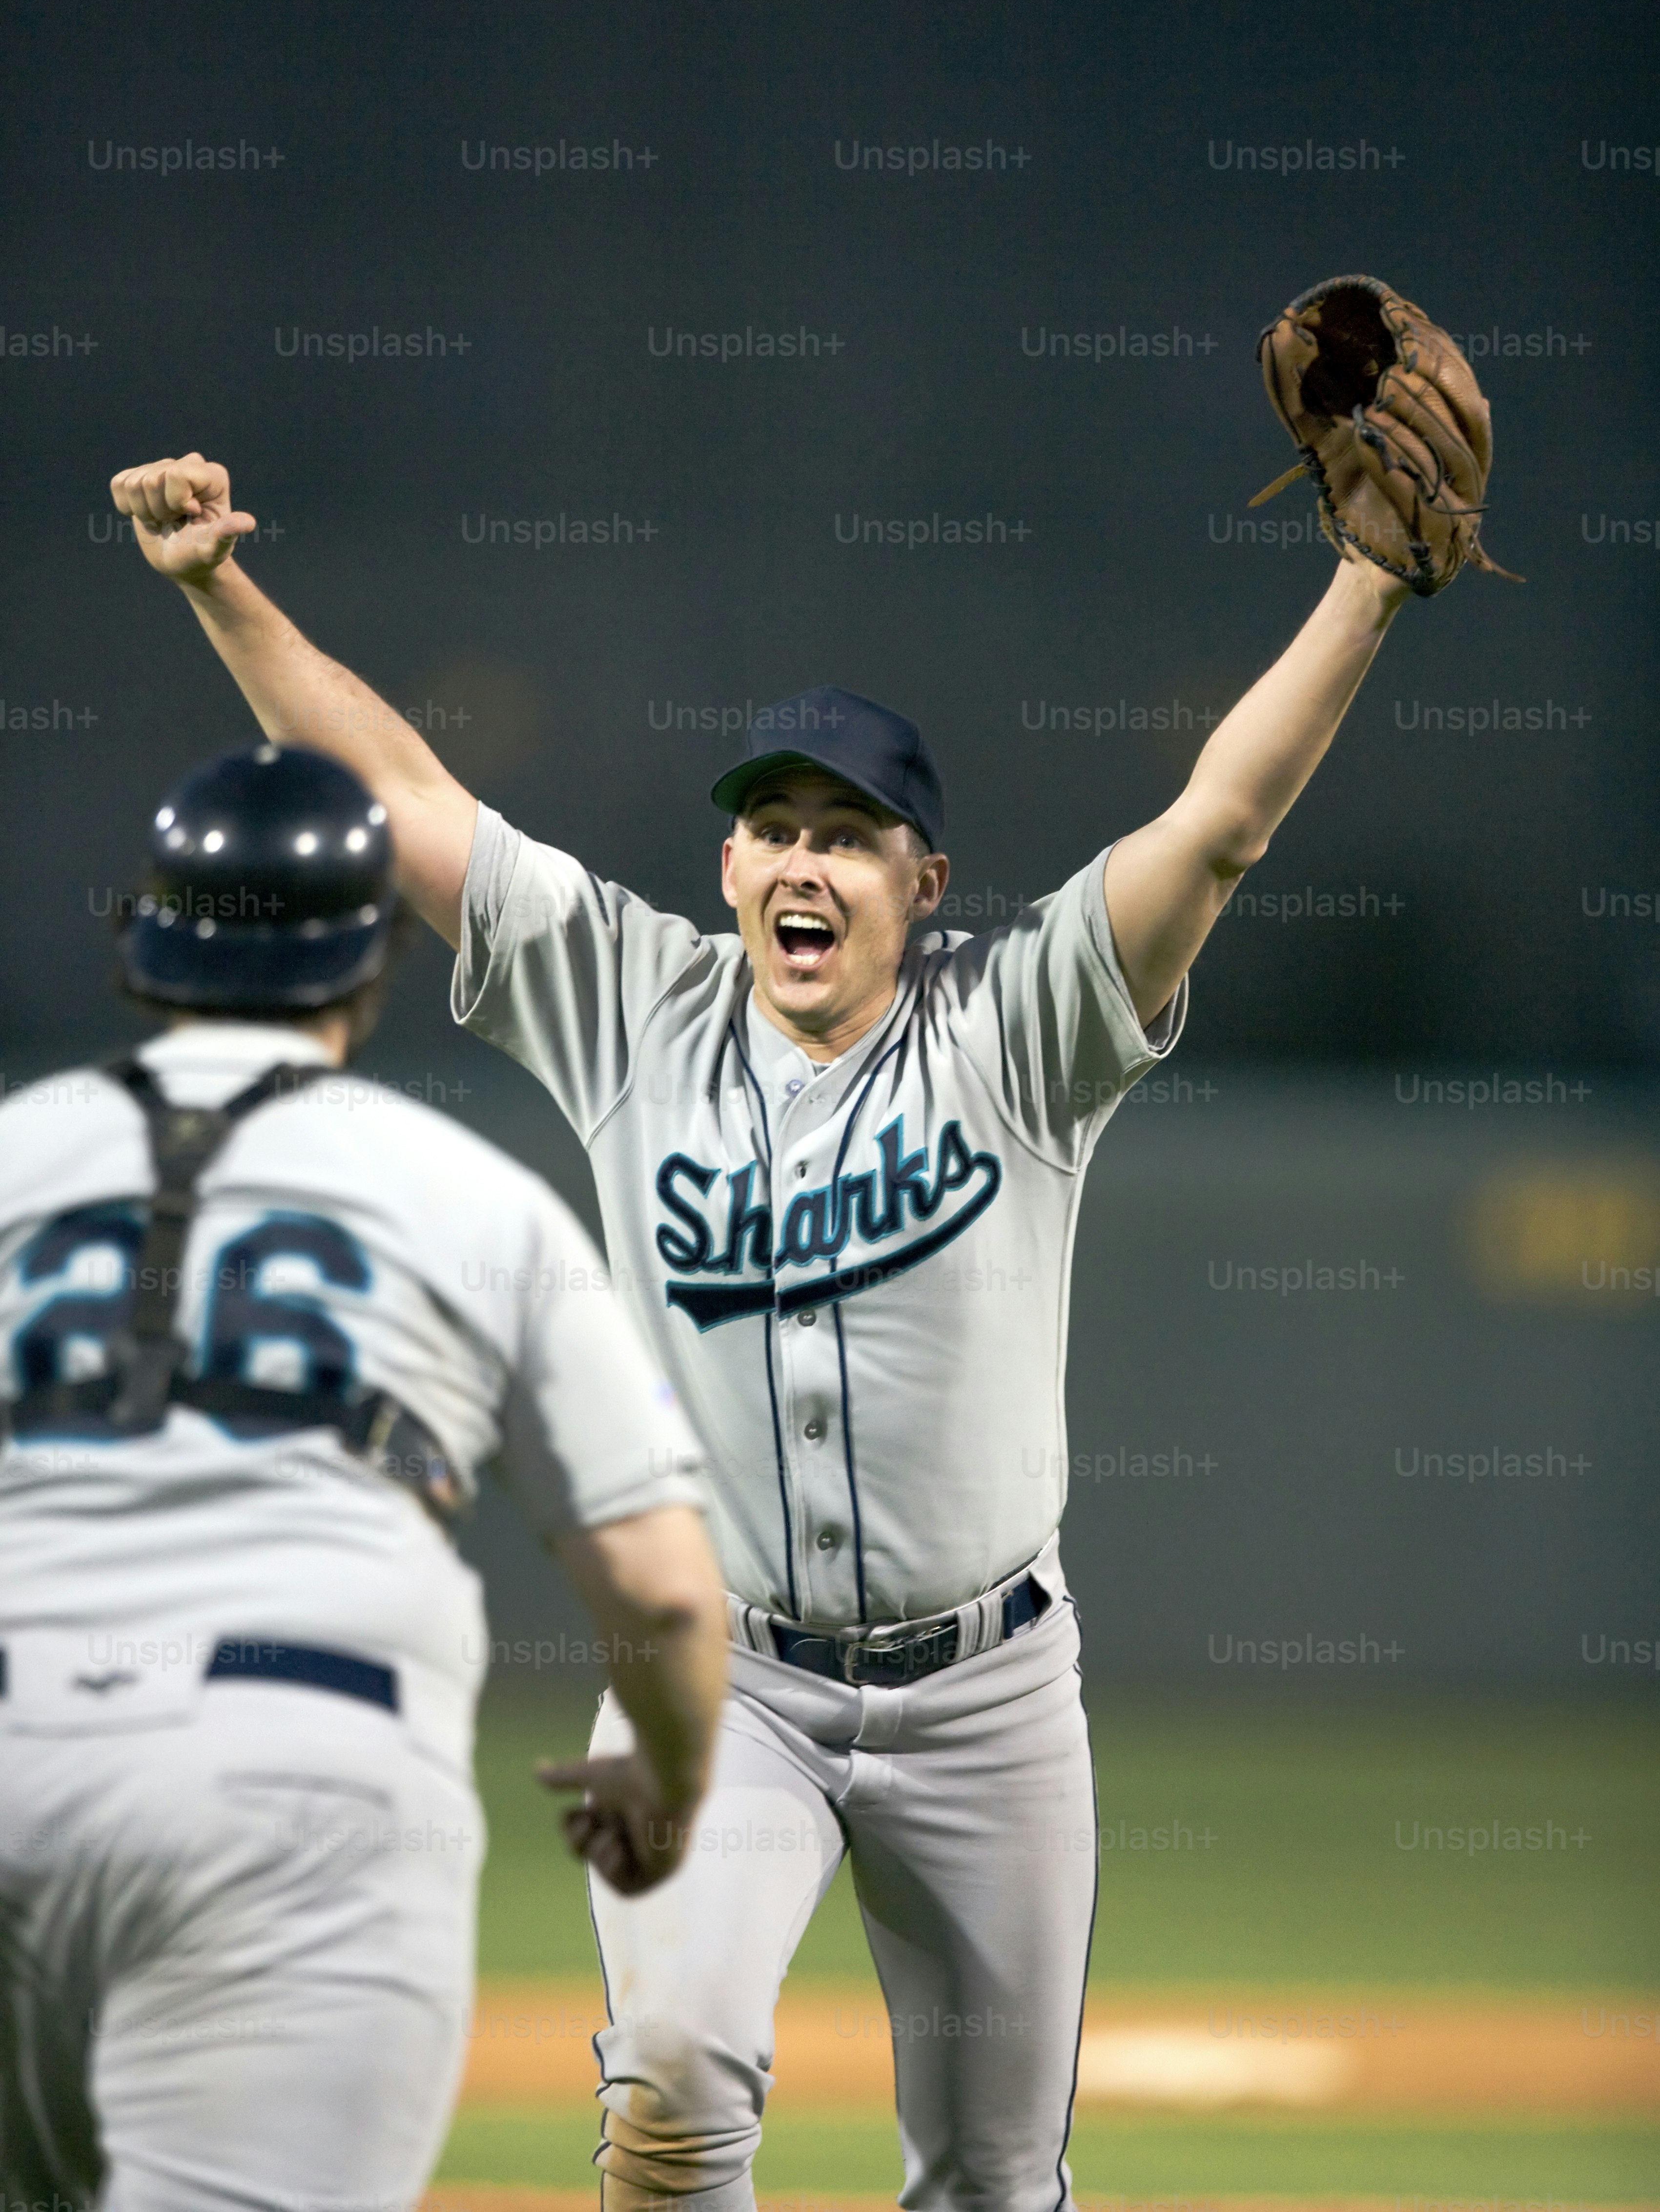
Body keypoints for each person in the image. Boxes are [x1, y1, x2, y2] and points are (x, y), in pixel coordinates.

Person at [112, 450, 1413, 2211]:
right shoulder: (632, 1002)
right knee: (668, 2092)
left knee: (992, 2179)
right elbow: (399, 791)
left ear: (923, 876)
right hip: (726, 1680)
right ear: (728, 861)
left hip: (991, 1699)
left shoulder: (1020, 1026)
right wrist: (216, 587)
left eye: (848, 834)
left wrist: (1367, 585)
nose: (804, 863)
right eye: (773, 828)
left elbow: (1220, 825)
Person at [0, 736, 728, 2212]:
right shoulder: (470, 1192)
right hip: (290, 1783)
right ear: (373, 954)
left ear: (145, 933)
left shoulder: (12, 1151)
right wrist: (664, 1787)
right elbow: (662, 1591)